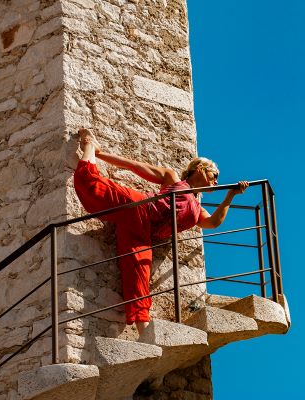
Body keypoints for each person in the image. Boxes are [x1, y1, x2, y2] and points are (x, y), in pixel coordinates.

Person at [73, 128, 249, 334]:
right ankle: (89, 146)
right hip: (140, 208)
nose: (216, 181)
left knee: (138, 276)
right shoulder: (173, 179)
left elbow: (213, 223)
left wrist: (230, 195)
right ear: (201, 169)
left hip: (143, 235)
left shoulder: (197, 208)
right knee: (92, 186)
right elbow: (133, 166)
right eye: (214, 175)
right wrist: (99, 153)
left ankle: (144, 331)